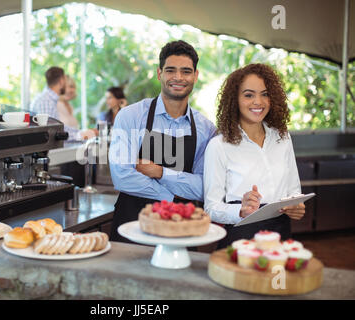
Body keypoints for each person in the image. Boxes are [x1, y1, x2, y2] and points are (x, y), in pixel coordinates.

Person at [109, 40, 217, 242]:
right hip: (133, 226)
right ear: (160, 74)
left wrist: (160, 172)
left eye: (186, 71)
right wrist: (172, 198)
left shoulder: (206, 129)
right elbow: (122, 176)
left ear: (195, 76)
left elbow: (204, 187)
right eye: (170, 70)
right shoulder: (130, 116)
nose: (178, 77)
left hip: (182, 229)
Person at [203, 63, 306, 249]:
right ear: (234, 100)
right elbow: (211, 208)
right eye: (249, 95)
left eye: (265, 94)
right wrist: (240, 210)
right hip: (241, 236)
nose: (258, 102)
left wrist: (296, 207)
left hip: (280, 234)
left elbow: (294, 190)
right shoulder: (218, 146)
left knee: (278, 278)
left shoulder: (282, 138)